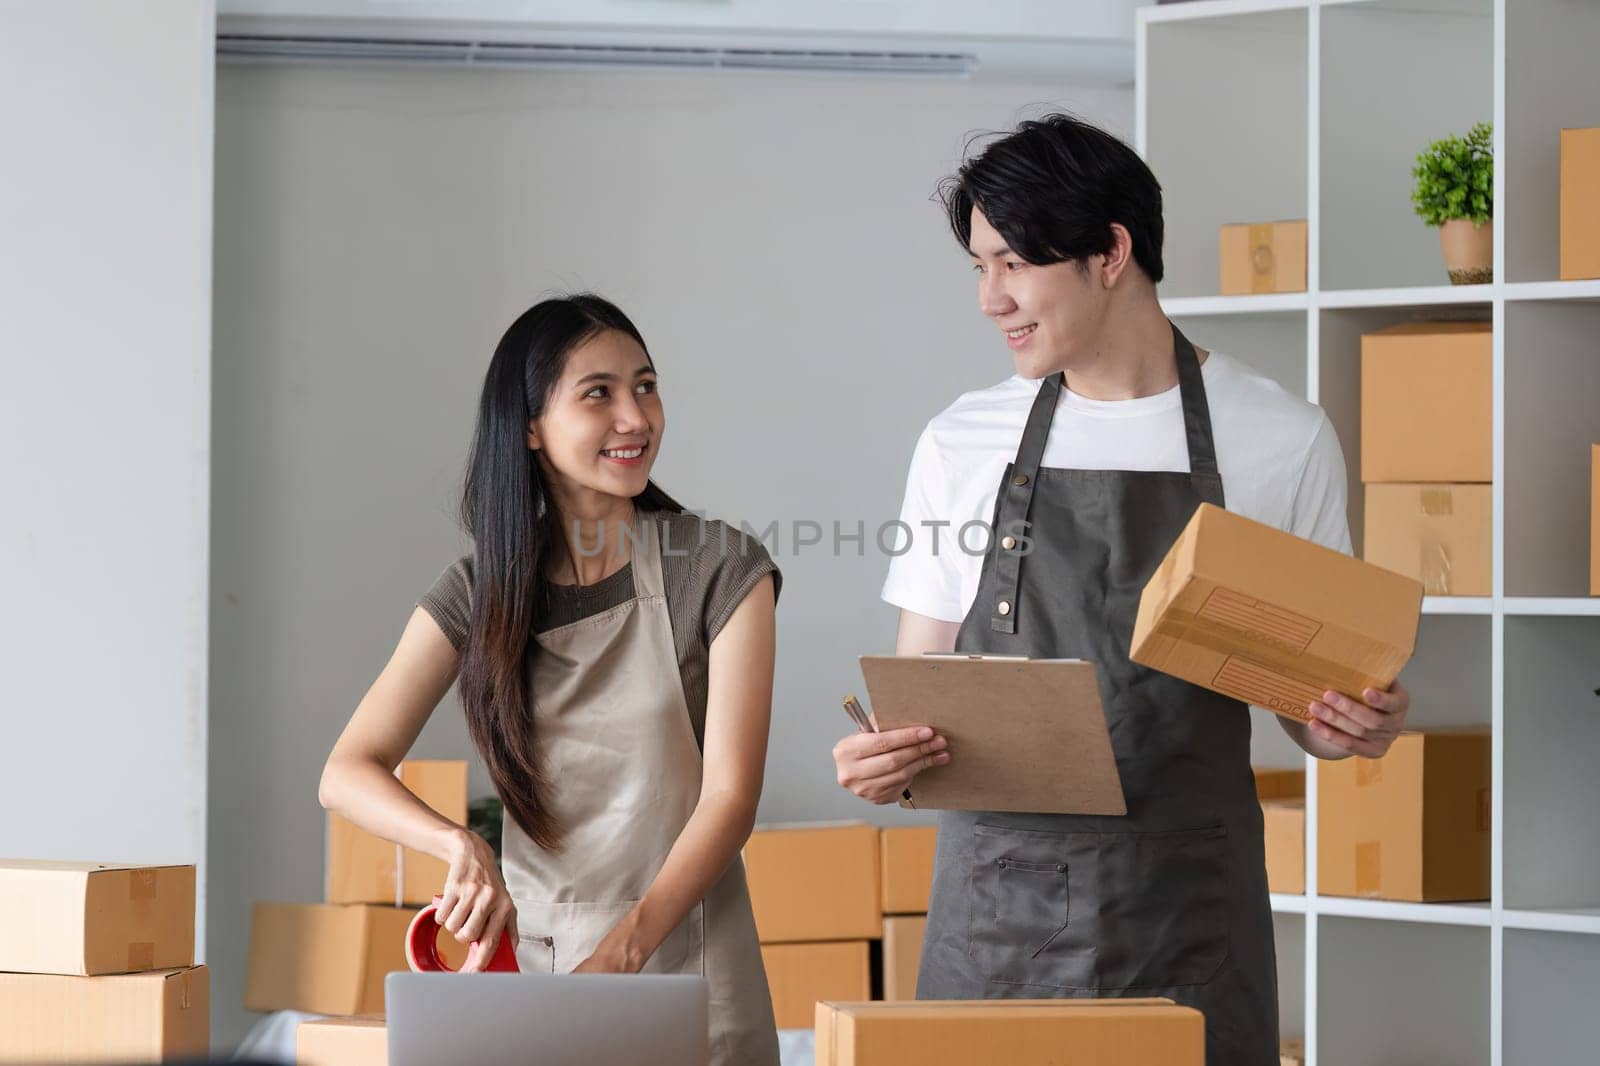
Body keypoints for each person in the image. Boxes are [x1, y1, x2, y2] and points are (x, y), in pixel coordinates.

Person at [831, 115, 1413, 1064]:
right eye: (979, 267)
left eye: (1013, 263)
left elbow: (1310, 704)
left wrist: (1352, 724)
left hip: (1188, 922)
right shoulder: (961, 443)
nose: (990, 299)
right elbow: (922, 678)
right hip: (999, 920)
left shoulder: (1280, 438)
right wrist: (883, 762)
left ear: (1111, 252)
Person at [320, 295, 781, 1066]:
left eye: (646, 385)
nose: (635, 417)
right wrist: (457, 843)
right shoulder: (479, 589)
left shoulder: (721, 567)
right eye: (598, 393)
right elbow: (345, 773)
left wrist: (623, 953)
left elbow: (730, 800)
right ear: (531, 426)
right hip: (543, 977)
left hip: (692, 968)